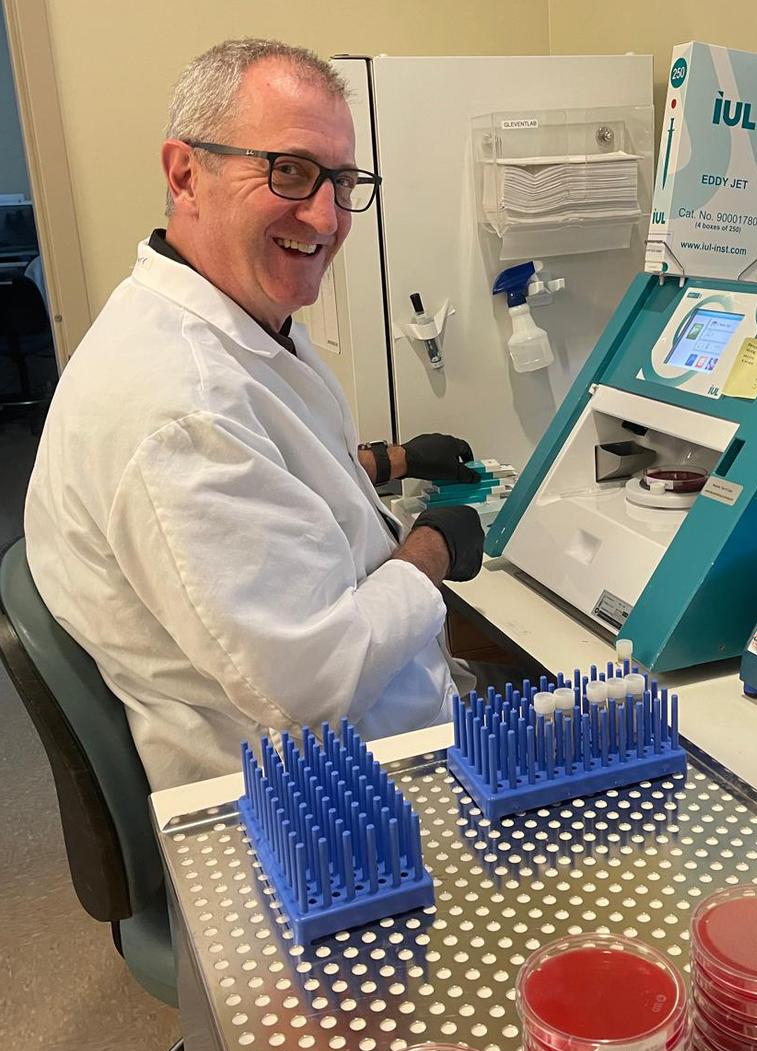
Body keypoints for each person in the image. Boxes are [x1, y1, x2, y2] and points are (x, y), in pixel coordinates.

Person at [23, 39, 487, 791]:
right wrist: (431, 551)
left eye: (342, 181)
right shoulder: (177, 407)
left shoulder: (232, 317)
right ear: (185, 174)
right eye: (291, 171)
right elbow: (312, 686)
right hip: (329, 811)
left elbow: (277, 465)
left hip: (379, 744)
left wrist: (394, 461)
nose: (327, 216)